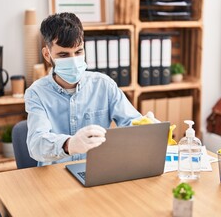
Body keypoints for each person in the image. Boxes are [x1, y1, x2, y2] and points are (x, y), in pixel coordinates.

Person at [24, 12, 148, 166]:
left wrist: (148, 127)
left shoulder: (104, 85)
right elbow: (36, 144)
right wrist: (69, 144)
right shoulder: (36, 93)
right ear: (47, 55)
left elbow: (132, 123)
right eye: (63, 55)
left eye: (78, 52)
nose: (74, 61)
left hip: (97, 171)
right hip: (55, 177)